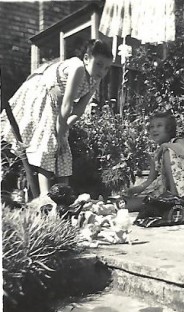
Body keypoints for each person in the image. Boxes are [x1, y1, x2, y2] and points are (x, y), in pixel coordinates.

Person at [1, 39, 113, 197]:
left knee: (62, 148)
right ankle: (45, 196)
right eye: (99, 64)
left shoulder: (95, 79)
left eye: (107, 68)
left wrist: (64, 131)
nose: (102, 70)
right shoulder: (78, 68)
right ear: (87, 58)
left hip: (58, 106)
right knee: (48, 143)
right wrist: (59, 134)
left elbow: (79, 109)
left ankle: (63, 196)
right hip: (42, 93)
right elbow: (67, 104)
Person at [125, 111, 184, 211]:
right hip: (166, 190)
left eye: (159, 126)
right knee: (130, 204)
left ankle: (174, 197)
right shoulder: (156, 153)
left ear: (169, 129)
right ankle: (168, 200)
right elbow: (150, 180)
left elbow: (183, 151)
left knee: (167, 151)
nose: (154, 129)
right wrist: (133, 190)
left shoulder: (176, 141)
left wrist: (165, 146)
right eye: (151, 127)